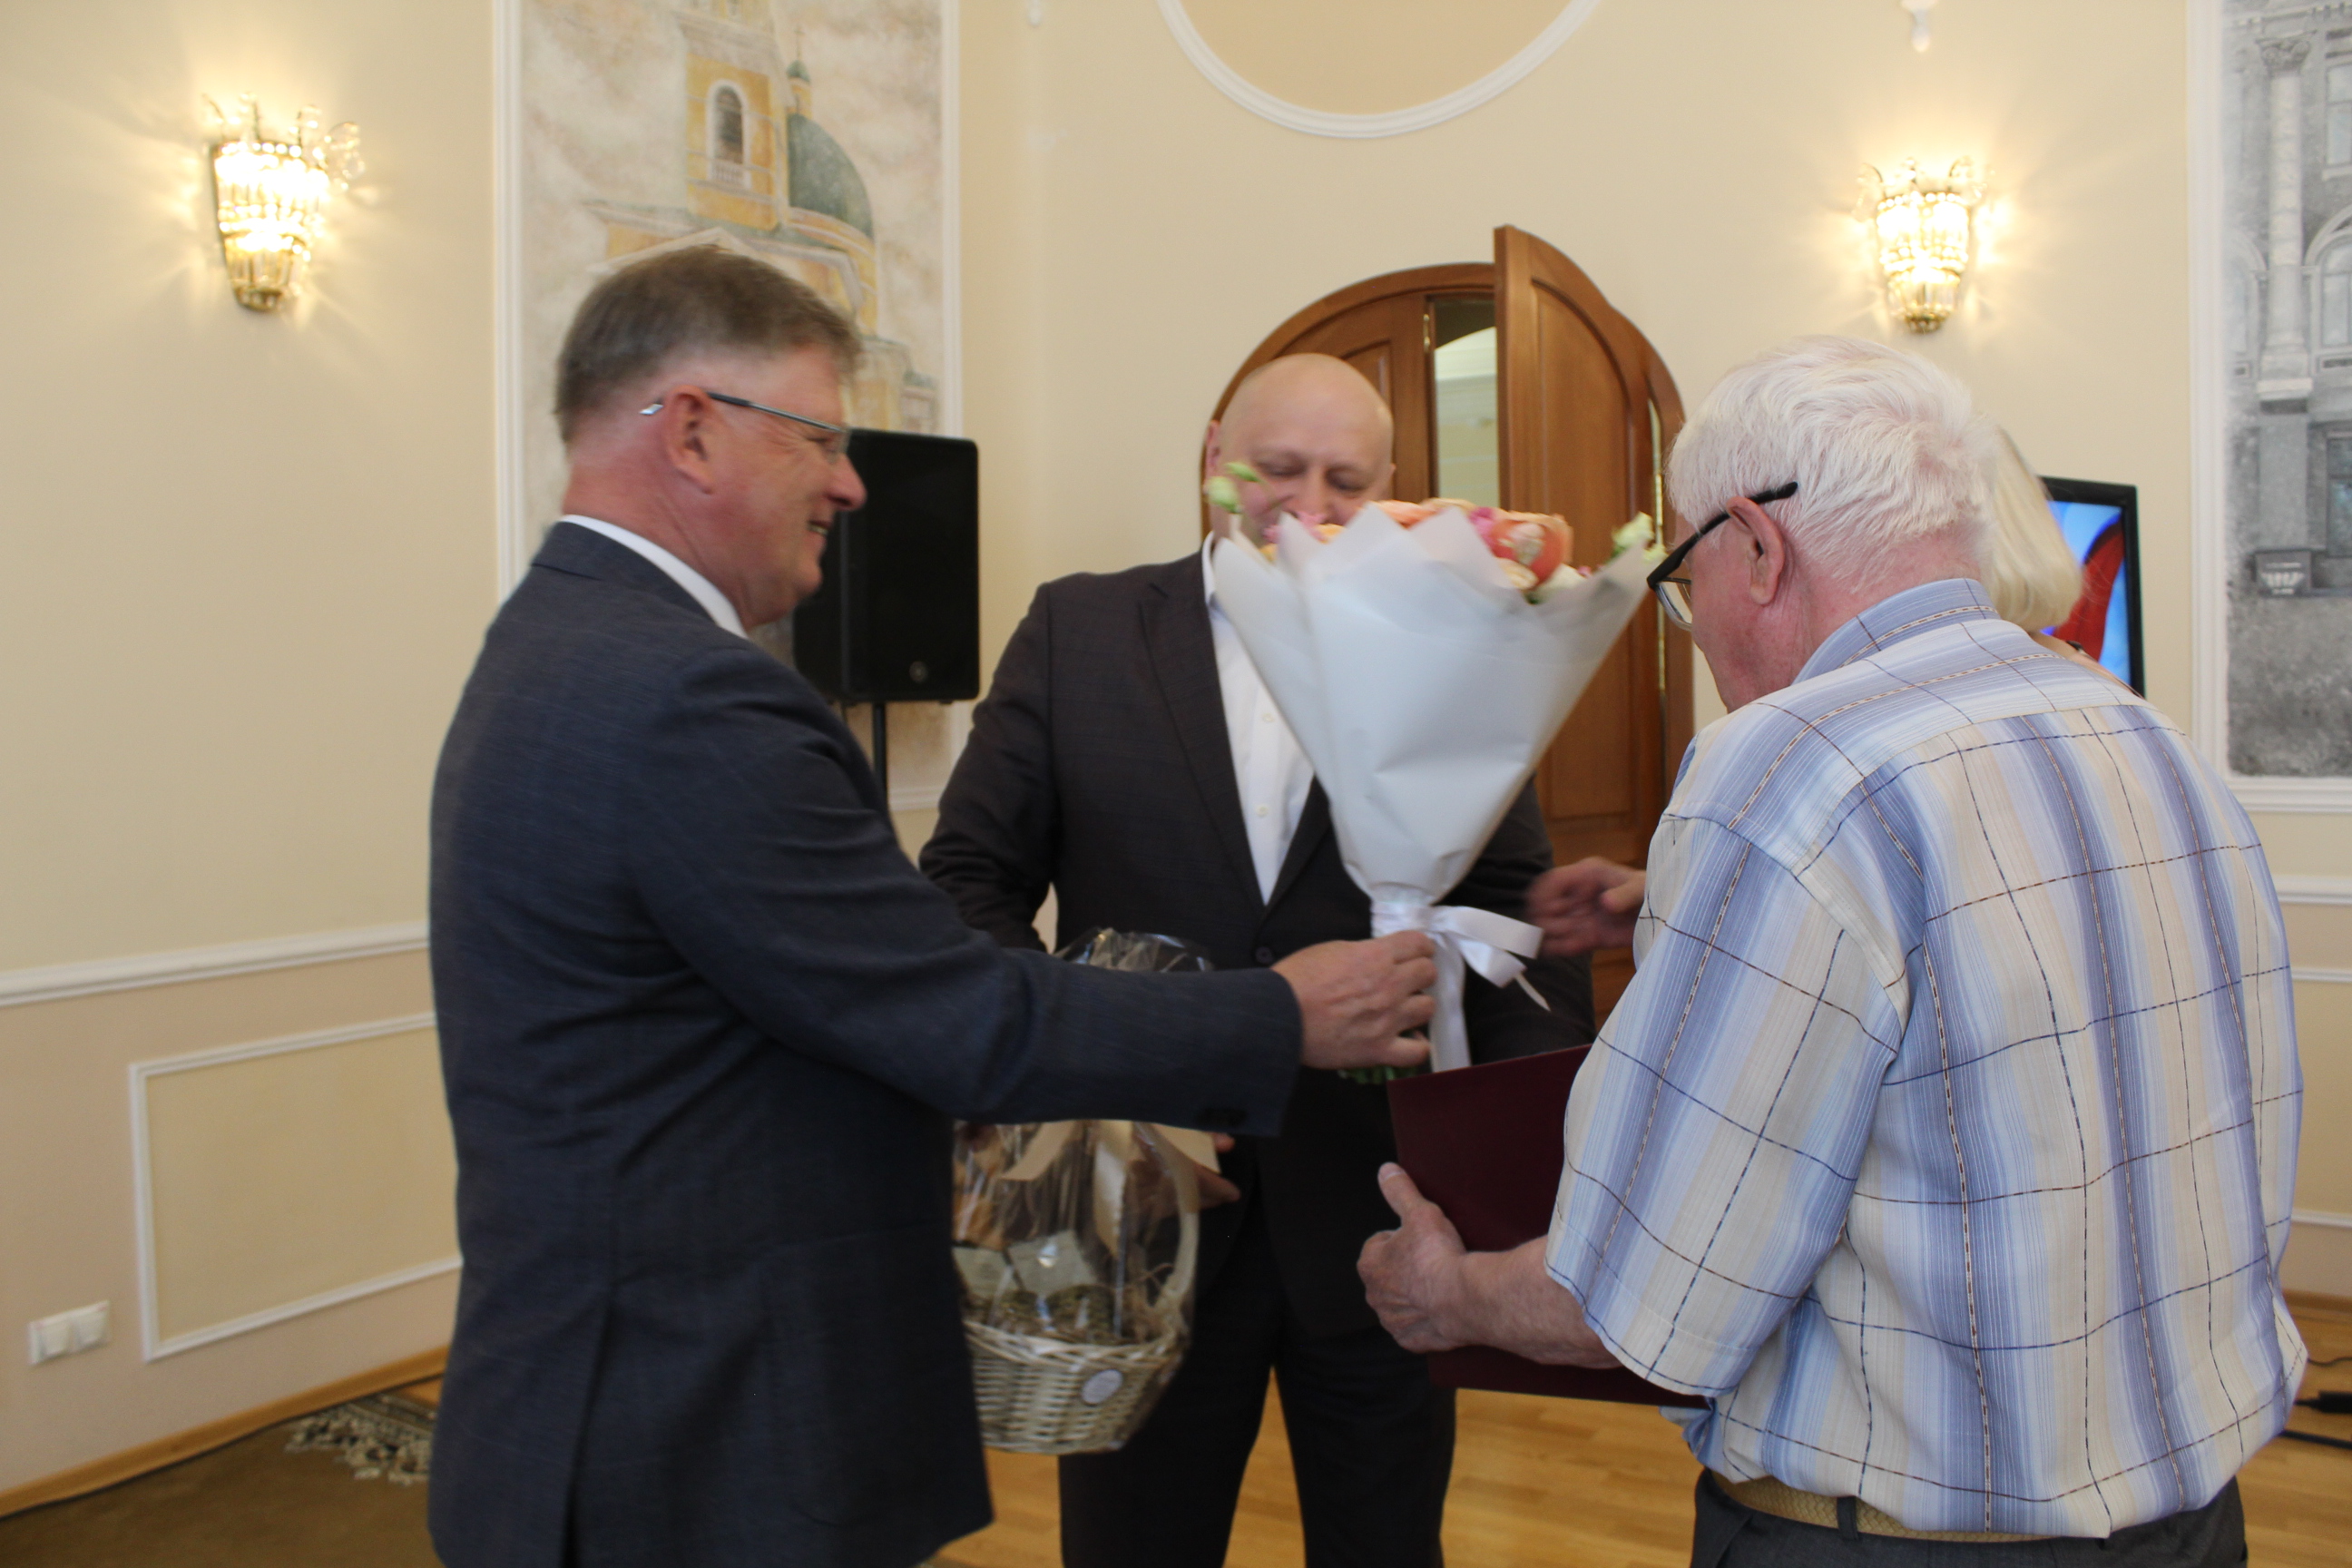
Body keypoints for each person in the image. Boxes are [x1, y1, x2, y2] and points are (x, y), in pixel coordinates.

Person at [427, 249, 1443, 1568]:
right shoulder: (690, 698)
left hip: (621, 1388)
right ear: (692, 432)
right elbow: (950, 1007)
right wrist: (1273, 1017)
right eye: (818, 438)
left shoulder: (558, 642)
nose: (850, 483)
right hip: (692, 1420)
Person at [1361, 336, 2304, 1566]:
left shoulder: (1784, 767)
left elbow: (1647, 1300)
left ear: (1756, 545)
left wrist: (1449, 1294)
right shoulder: (2139, 732)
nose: (1696, 629)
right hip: (2193, 1522)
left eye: (1685, 579)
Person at [920, 352, 1593, 1568]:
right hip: (1141, 1214)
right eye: (1279, 470)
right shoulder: (1079, 630)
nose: (1311, 506)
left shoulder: (1455, 644)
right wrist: (1097, 1087)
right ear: (1213, 459)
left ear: (1394, 485)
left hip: (1386, 1220)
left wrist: (1518, 1177)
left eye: (1348, 480)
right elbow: (966, 889)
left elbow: (1512, 914)